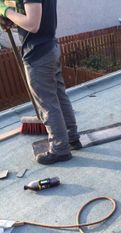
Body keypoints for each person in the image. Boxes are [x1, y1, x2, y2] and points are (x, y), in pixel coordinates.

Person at [0, 0, 82, 165]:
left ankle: (60, 149)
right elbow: (37, 17)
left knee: (47, 103)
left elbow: (33, 24)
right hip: (49, 47)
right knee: (59, 96)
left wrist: (6, 11)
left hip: (38, 55)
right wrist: (13, 20)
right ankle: (72, 138)